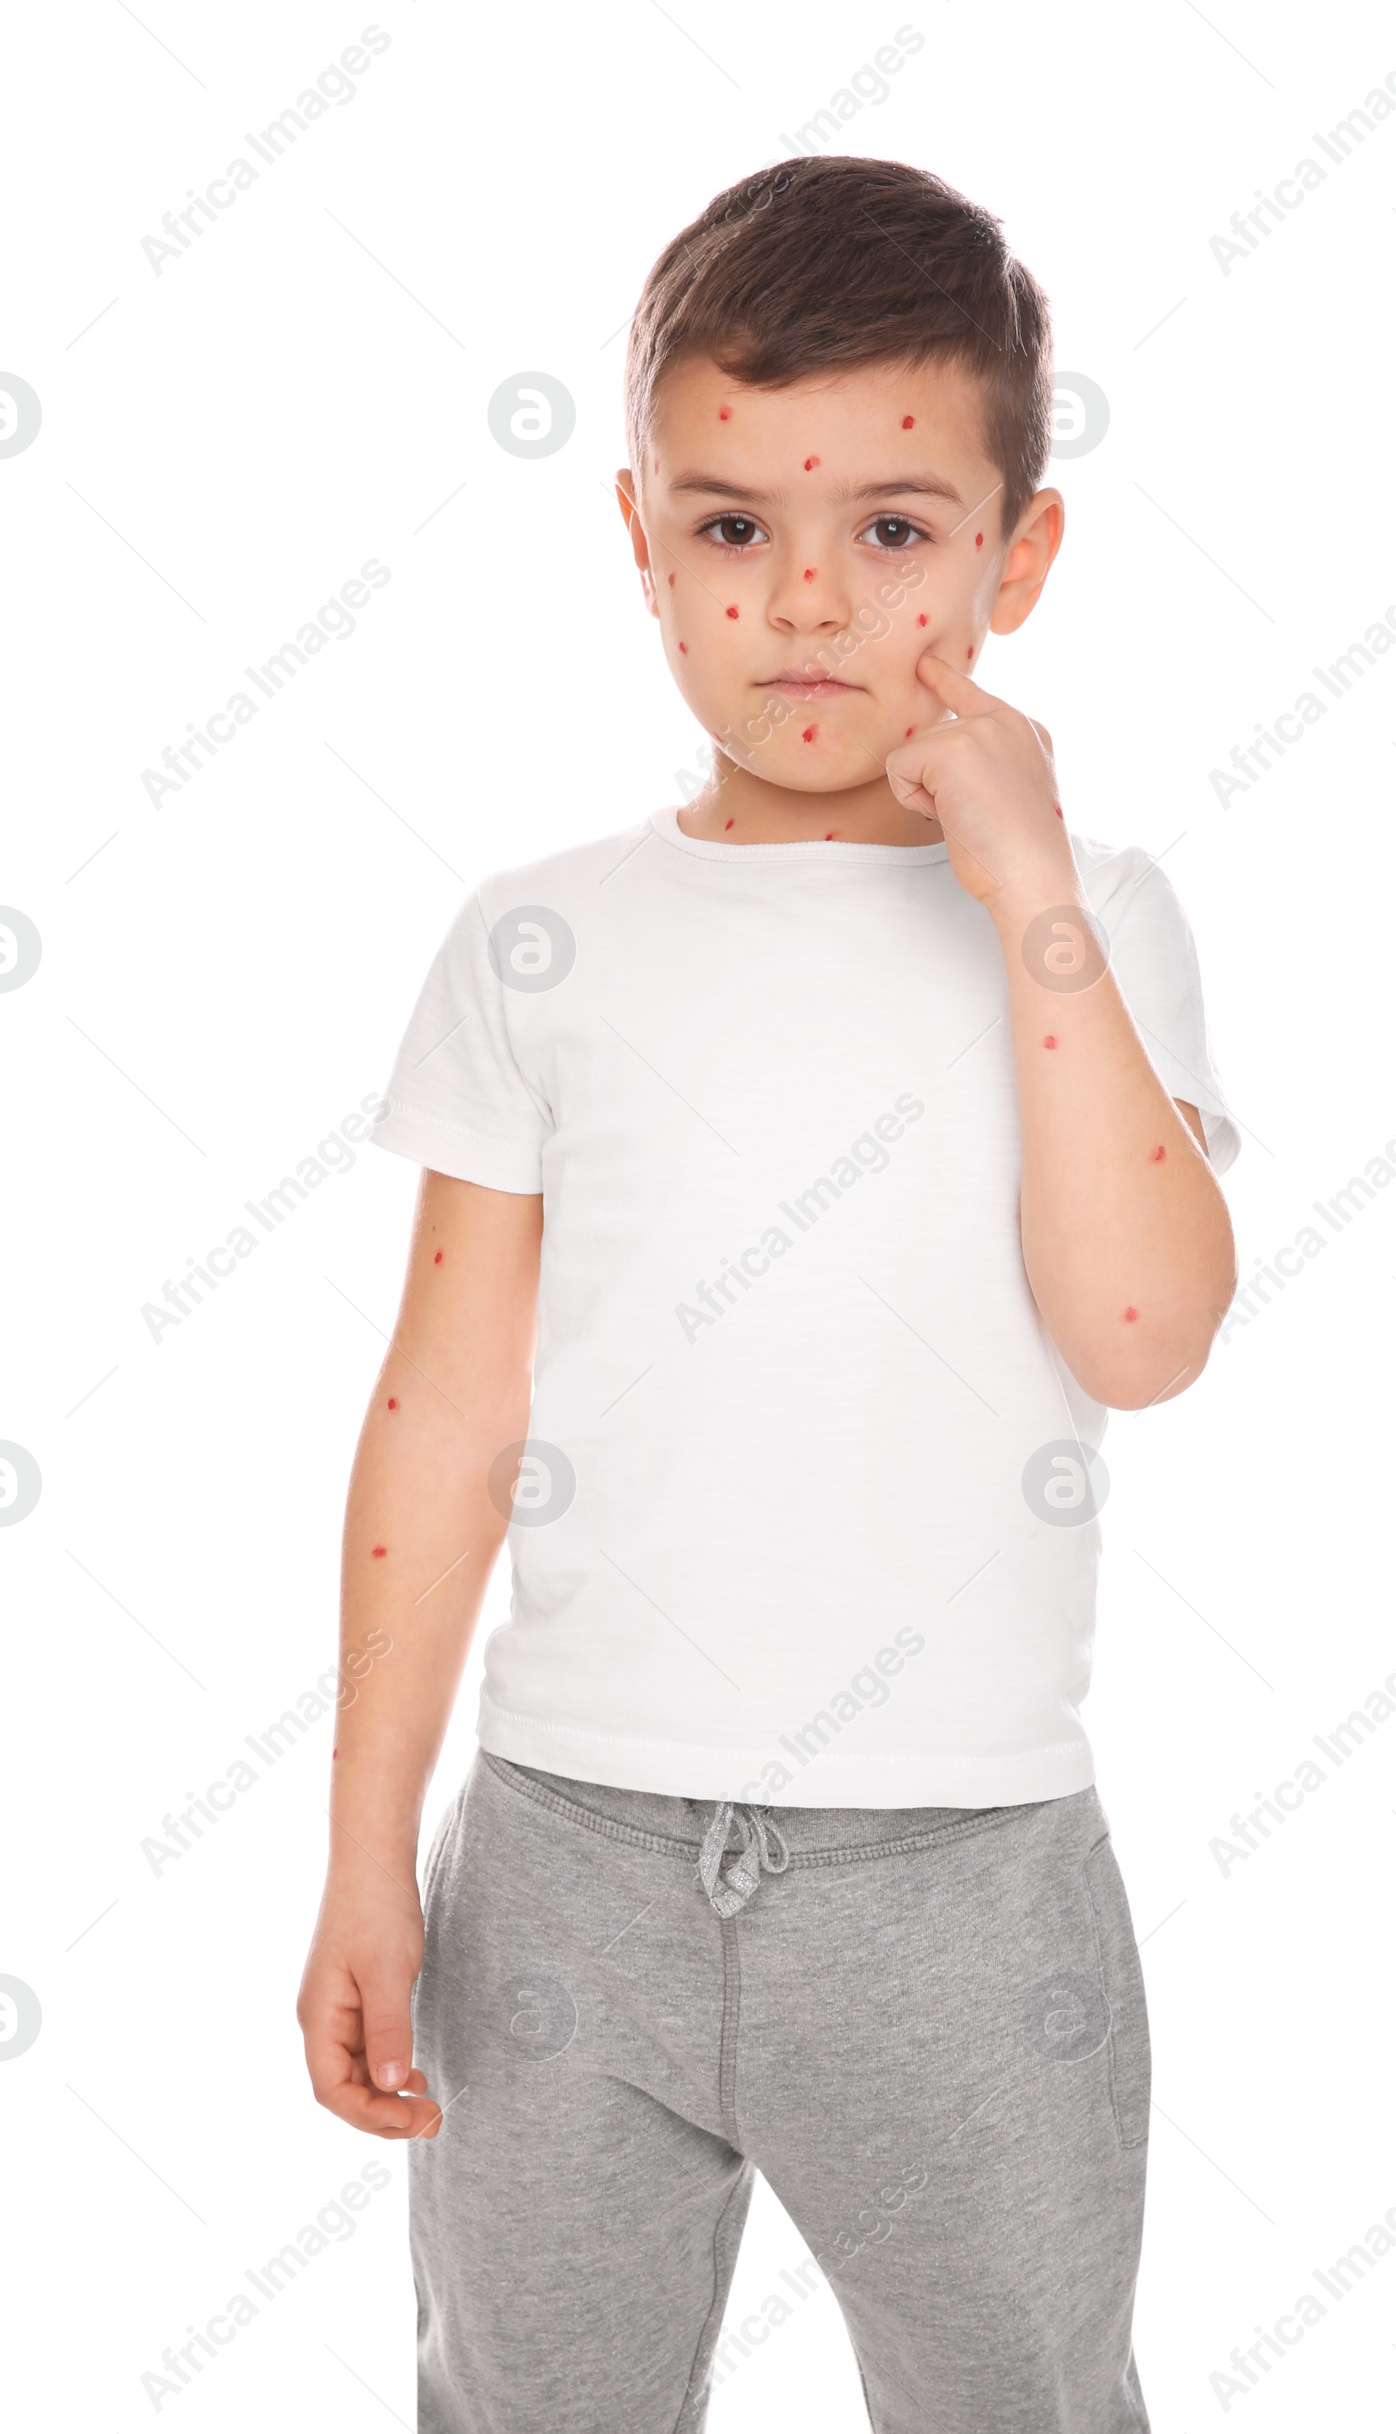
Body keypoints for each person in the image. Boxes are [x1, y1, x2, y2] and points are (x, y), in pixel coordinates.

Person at [298, 153, 1240, 2434]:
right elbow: (441, 1404)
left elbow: (1142, 1333)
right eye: (731, 526)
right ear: (637, 539)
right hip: (563, 1859)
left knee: (1017, 2396)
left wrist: (1020, 885)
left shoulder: (1092, 915)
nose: (806, 598)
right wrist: (363, 1842)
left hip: (959, 1882)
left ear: (1017, 557)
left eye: (893, 531)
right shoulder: (543, 937)